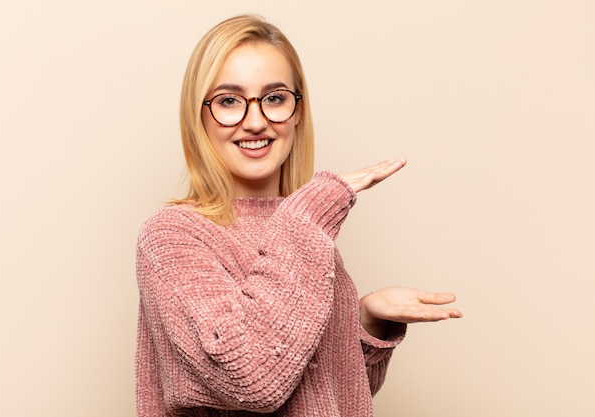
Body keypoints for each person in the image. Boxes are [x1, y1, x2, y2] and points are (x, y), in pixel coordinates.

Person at [135, 14, 462, 417]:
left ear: (297, 112)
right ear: (198, 117)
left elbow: (327, 393)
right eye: (228, 101)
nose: (255, 122)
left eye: (274, 98)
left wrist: (363, 321)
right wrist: (311, 208)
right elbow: (251, 380)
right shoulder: (172, 235)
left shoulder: (300, 229)